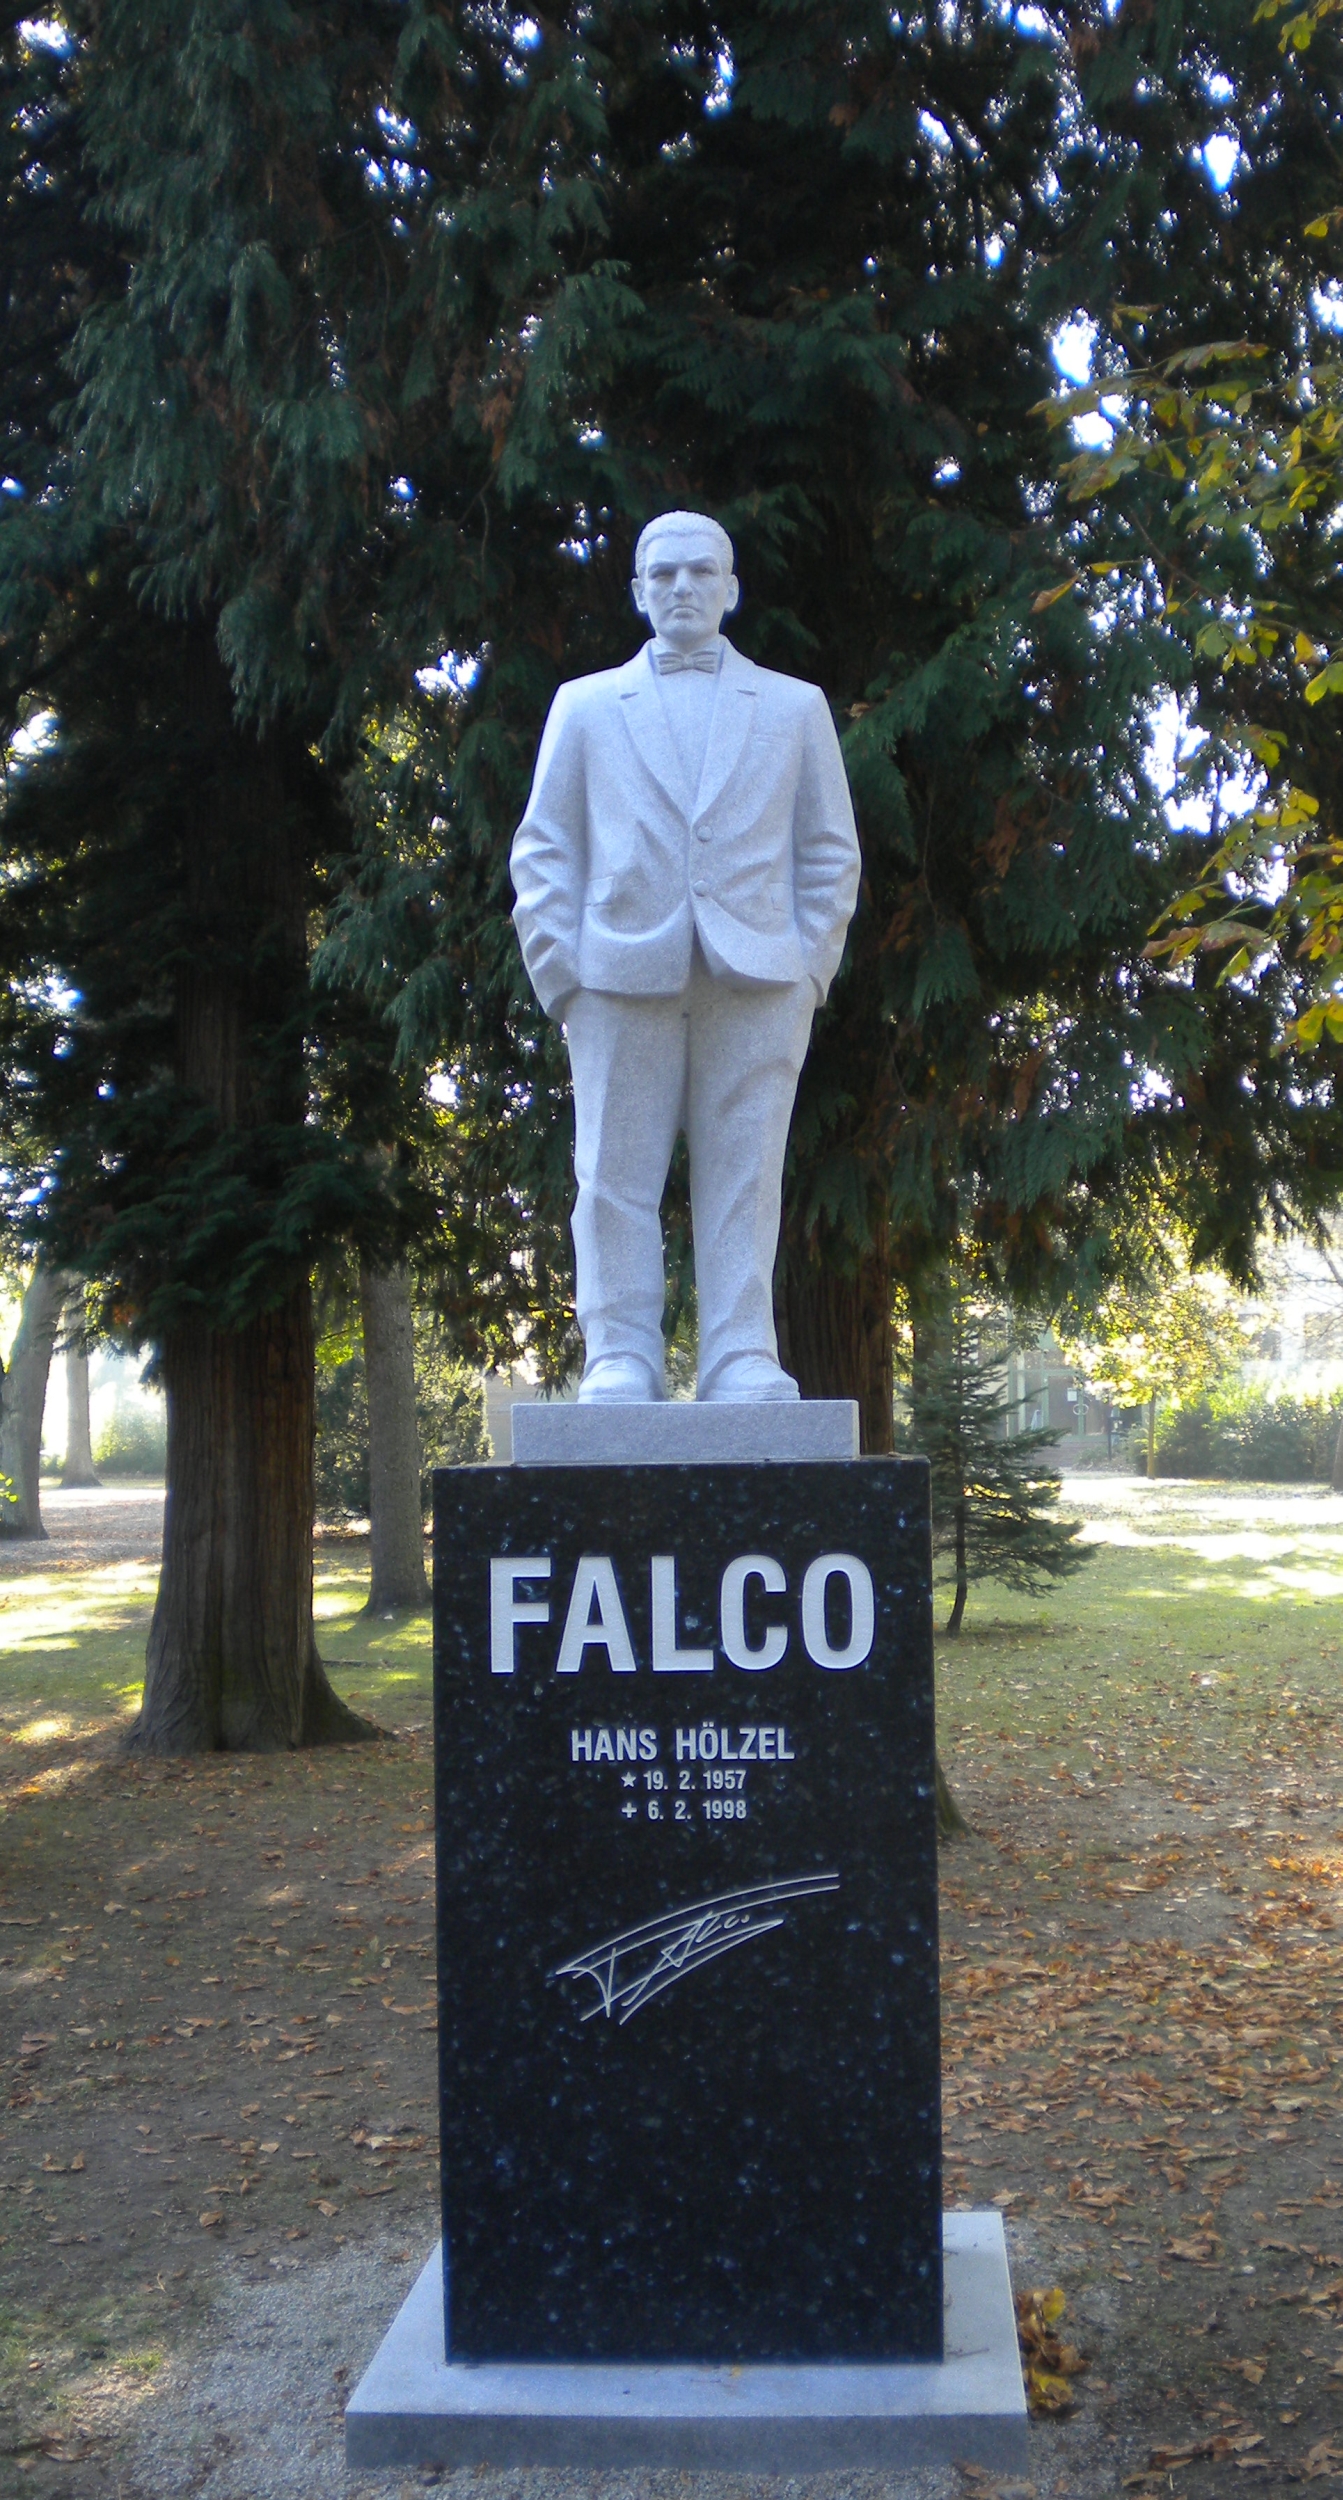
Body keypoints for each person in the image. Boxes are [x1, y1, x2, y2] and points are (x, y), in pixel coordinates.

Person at [510, 511, 860, 1404]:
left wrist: (807, 972)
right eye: (661, 575)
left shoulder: (794, 707)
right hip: (616, 976)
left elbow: (828, 852)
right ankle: (619, 1353)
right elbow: (544, 848)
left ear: (731, 588)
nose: (681, 588)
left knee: (745, 1178)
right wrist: (564, 978)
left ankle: (740, 1352)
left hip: (758, 982)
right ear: (636, 592)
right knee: (612, 1176)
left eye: (700, 572)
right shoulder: (584, 706)